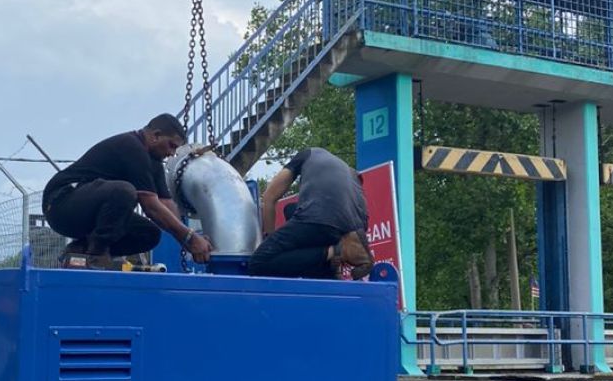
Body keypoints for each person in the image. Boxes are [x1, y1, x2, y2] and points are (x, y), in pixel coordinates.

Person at [42, 114, 213, 267]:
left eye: (175, 149)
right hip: (60, 205)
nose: (171, 153)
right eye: (171, 146)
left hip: (89, 212)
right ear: (156, 135)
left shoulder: (153, 163)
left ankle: (80, 249)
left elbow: (166, 204)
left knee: (149, 234)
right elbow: (151, 206)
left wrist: (188, 239)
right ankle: (97, 254)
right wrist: (189, 237)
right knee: (124, 191)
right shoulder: (131, 146)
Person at [249, 148, 373, 280]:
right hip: (355, 228)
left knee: (259, 263)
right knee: (290, 209)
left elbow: (269, 197)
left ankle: (338, 251)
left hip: (319, 217)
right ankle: (331, 264)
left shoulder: (306, 154)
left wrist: (268, 239)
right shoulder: (347, 170)